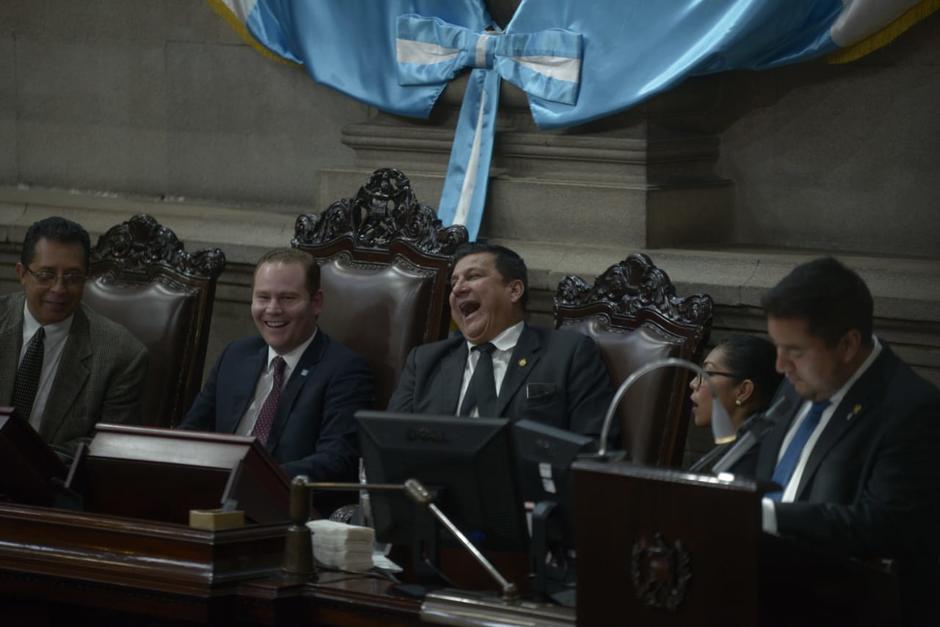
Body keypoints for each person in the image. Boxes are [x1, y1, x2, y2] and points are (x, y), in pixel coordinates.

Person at [741, 257, 940, 624]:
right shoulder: (797, 381)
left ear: (847, 344)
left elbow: (880, 524)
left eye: (795, 351)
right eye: (777, 347)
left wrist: (768, 517)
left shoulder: (912, 412)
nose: (780, 366)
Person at [181, 248, 373, 484]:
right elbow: (190, 433)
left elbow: (337, 460)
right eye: (263, 297)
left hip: (283, 503)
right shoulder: (235, 355)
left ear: (316, 302)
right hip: (210, 492)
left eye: (287, 298)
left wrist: (252, 478)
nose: (272, 309)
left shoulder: (344, 369)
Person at [388, 242, 614, 438]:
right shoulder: (425, 361)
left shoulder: (568, 354)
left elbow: (591, 448)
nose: (457, 289)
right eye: (453, 282)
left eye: (473, 276)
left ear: (514, 290)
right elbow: (390, 440)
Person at [0, 216, 148, 457]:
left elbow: (110, 446)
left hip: (57, 484)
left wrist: (26, 465)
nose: (59, 289)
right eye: (46, 275)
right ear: (22, 274)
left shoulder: (122, 355)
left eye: (72, 277)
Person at [687, 334, 782, 473]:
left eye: (708, 373)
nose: (693, 383)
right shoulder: (733, 452)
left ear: (743, 391)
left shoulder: (745, 465)